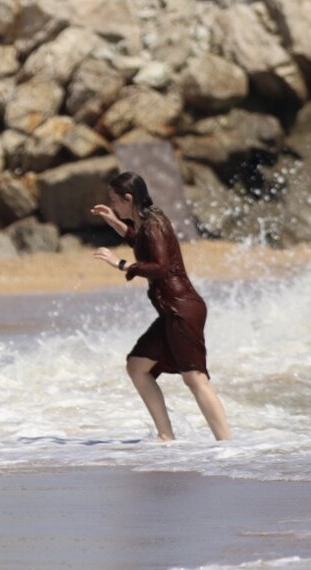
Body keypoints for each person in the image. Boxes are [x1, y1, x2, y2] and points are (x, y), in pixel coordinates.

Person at [90, 171, 232, 442]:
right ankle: (166, 436)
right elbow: (140, 241)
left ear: (129, 198)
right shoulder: (147, 222)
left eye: (115, 202)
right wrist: (112, 221)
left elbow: (160, 266)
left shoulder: (154, 224)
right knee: (137, 366)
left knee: (195, 379)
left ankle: (227, 446)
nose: (114, 206)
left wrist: (120, 264)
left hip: (182, 310)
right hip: (172, 311)